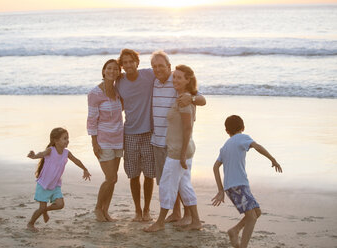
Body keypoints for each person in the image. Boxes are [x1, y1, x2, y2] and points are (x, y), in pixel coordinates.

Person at [144, 65, 202, 232]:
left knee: (166, 184)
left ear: (187, 80)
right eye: (174, 77)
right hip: (183, 149)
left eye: (179, 77)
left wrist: (182, 154)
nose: (175, 80)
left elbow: (187, 128)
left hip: (179, 152)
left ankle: (160, 222)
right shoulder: (185, 97)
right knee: (184, 185)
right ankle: (196, 221)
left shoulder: (184, 99)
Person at [211, 115, 282, 248]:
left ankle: (235, 230)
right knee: (252, 217)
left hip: (233, 186)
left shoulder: (225, 146)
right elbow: (257, 146)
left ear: (227, 131)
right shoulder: (242, 137)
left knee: (256, 212)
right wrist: (273, 159)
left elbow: (215, 167)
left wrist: (221, 190)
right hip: (238, 185)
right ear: (243, 128)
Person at [115, 49, 156, 222]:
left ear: (137, 62)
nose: (129, 65)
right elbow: (117, 104)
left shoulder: (149, 75)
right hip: (130, 133)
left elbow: (168, 76)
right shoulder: (119, 82)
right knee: (133, 175)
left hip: (148, 133)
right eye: (125, 62)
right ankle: (137, 211)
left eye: (131, 61)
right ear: (122, 65)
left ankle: (146, 210)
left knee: (149, 174)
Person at [27, 127, 91, 232]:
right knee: (41, 207)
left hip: (55, 184)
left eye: (68, 138)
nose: (67, 141)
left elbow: (76, 160)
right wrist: (34, 156)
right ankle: (30, 223)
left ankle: (44, 210)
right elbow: (41, 154)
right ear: (56, 141)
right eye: (64, 138)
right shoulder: (50, 151)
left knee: (60, 205)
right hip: (44, 185)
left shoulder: (66, 153)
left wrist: (85, 169)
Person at [87, 59, 123, 222]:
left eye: (115, 69)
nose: (112, 71)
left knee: (113, 179)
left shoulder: (117, 91)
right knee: (110, 178)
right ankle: (97, 208)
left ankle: (105, 210)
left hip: (118, 138)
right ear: (103, 71)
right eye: (109, 68)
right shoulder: (95, 94)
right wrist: (94, 142)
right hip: (103, 140)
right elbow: (92, 119)